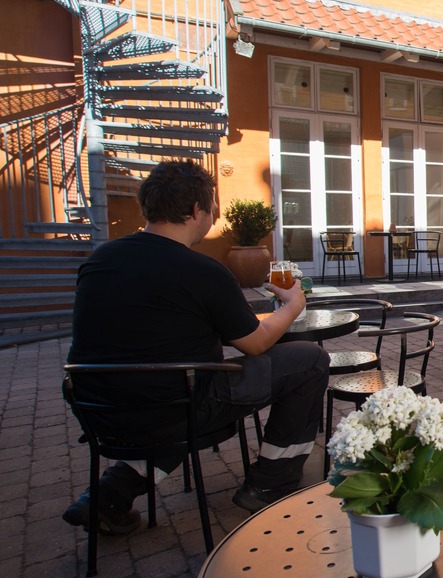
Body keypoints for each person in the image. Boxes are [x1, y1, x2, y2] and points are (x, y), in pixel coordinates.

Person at [63, 160, 330, 535]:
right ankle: (271, 481)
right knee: (309, 360)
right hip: (175, 409)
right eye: (211, 210)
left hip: (99, 413)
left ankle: (109, 494)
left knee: (169, 390)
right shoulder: (203, 271)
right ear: (195, 211)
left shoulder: (99, 261)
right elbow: (255, 343)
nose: (213, 218)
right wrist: (292, 306)